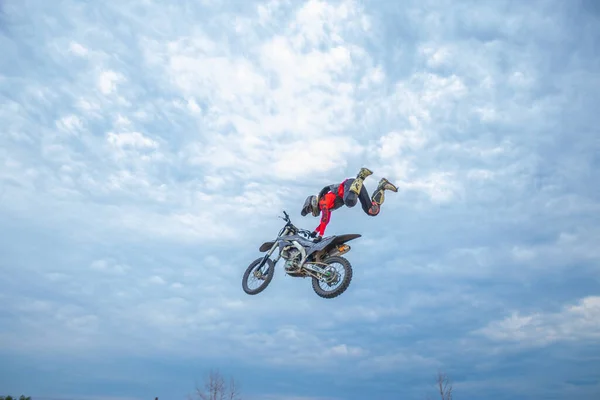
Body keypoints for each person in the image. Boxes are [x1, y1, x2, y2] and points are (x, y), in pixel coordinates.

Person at [300, 167, 398, 239]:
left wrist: (320, 236)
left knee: (350, 202)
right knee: (372, 211)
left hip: (350, 185)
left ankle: (361, 176)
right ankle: (382, 187)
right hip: (354, 189)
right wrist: (315, 232)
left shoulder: (323, 202)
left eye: (309, 209)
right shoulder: (327, 207)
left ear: (312, 202)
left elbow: (324, 219)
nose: (311, 212)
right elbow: (326, 221)